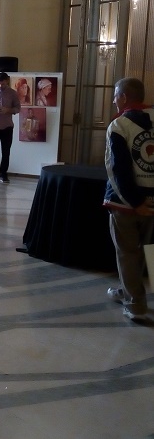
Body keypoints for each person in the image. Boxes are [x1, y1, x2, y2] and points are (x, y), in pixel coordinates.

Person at [103, 77, 154, 321]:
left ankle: (136, 306)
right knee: (150, 251)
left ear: (123, 97)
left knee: (127, 253)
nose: (113, 100)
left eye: (115, 95)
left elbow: (118, 169)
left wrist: (135, 202)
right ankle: (129, 289)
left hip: (125, 203)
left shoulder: (119, 125)